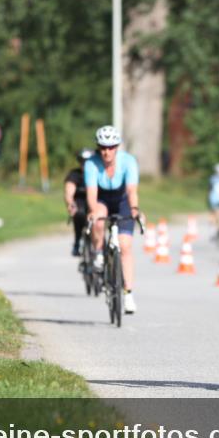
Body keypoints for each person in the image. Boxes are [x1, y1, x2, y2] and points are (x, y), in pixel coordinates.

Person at [85, 125, 143, 314]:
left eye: (111, 147)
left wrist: (134, 209)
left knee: (125, 245)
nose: (106, 151)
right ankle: (100, 253)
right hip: (102, 199)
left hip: (122, 200)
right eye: (102, 147)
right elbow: (92, 193)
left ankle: (128, 294)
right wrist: (93, 211)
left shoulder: (128, 162)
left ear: (117, 147)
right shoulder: (91, 164)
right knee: (99, 220)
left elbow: (132, 190)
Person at [64, 149, 94, 256]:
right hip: (80, 202)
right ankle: (77, 241)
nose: (85, 164)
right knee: (79, 214)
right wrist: (71, 204)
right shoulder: (75, 175)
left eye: (88, 161)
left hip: (95, 202)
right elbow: (69, 192)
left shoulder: (98, 173)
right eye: (82, 161)